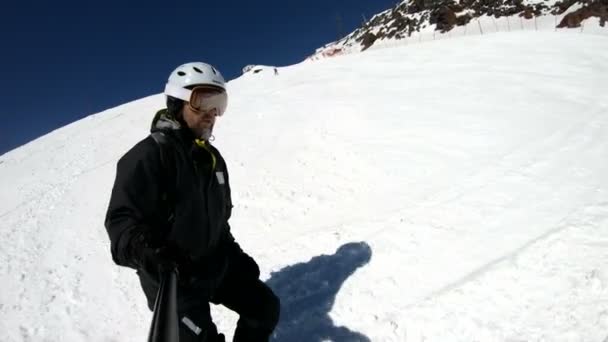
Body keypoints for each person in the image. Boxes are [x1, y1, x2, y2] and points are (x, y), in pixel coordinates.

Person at [105, 62, 280, 342]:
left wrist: (235, 256)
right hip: (173, 279)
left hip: (213, 264)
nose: (212, 114)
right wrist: (150, 251)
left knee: (264, 308)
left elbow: (219, 224)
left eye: (219, 104)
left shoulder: (214, 160)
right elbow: (122, 224)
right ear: (177, 102)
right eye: (203, 101)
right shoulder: (149, 156)